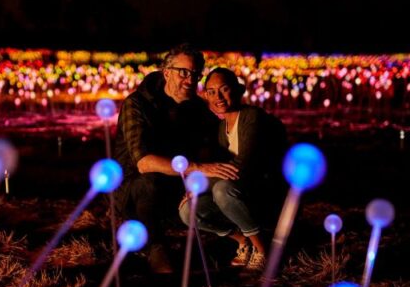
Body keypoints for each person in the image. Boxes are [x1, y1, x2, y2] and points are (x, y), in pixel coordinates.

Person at [114, 44, 239, 273]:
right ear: (167, 72)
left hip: (177, 185)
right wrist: (198, 168)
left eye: (195, 74)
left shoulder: (198, 109)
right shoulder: (137, 105)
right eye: (183, 72)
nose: (190, 80)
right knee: (148, 182)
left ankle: (239, 237)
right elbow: (143, 162)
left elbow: (216, 146)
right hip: (134, 189)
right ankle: (155, 248)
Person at [179, 67, 287, 270]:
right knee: (188, 211)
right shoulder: (222, 127)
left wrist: (199, 185)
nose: (217, 97)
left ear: (238, 91)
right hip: (238, 193)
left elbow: (240, 168)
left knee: (221, 189)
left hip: (265, 193)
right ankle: (243, 241)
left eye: (224, 89)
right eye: (211, 92)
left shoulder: (253, 117)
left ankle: (263, 249)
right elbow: (221, 170)